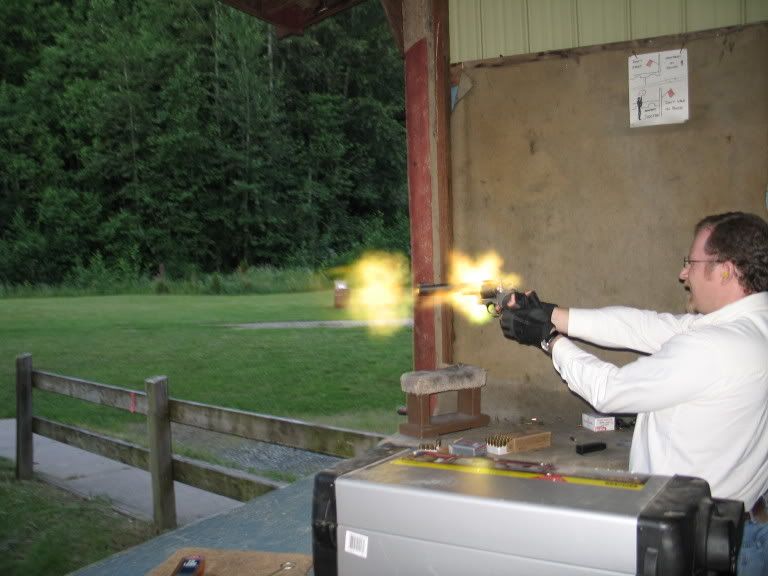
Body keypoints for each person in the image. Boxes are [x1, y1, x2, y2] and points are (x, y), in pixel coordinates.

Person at [499, 212, 768, 575]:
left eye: (691, 263)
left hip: (693, 549)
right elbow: (644, 326)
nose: (683, 274)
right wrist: (552, 314)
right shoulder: (751, 328)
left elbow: (610, 391)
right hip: (740, 534)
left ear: (725, 271)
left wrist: (548, 339)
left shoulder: (715, 346)